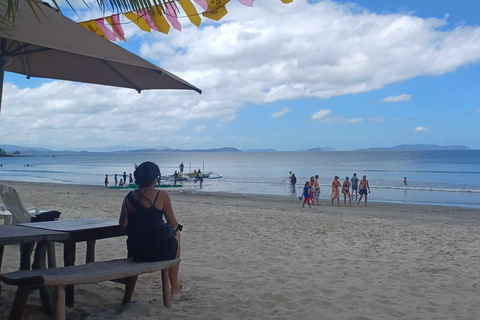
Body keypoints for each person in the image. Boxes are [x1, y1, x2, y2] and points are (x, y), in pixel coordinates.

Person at [119, 162, 183, 300]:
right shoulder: (161, 195)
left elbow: (122, 224)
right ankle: (175, 288)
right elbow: (174, 224)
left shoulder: (128, 197)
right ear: (155, 179)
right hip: (158, 252)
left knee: (138, 237)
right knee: (177, 234)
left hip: (136, 252)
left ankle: (128, 295)